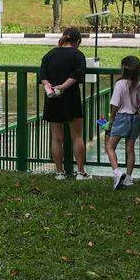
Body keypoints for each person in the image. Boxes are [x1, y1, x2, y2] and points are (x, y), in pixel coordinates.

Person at [39, 27, 89, 180]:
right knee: (77, 136)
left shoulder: (50, 54)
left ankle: (60, 172)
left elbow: (43, 75)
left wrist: (50, 87)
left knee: (56, 138)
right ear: (77, 41)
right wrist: (63, 87)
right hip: (71, 98)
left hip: (52, 98)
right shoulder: (78, 55)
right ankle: (80, 172)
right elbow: (77, 75)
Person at [104, 55, 140, 190]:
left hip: (122, 118)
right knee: (130, 150)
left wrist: (111, 120)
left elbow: (115, 104)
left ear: (123, 69)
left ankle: (117, 172)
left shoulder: (120, 84)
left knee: (110, 147)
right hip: (136, 118)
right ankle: (128, 178)